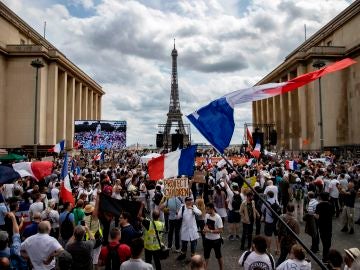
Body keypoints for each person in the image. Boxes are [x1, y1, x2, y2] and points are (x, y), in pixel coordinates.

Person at [177, 196, 202, 260]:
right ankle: (183, 255)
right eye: (188, 201)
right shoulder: (182, 208)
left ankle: (192, 256)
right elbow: (178, 217)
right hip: (185, 229)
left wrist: (192, 208)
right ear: (185, 202)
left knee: (193, 244)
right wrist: (177, 213)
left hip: (193, 229)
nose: (189, 202)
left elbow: (200, 213)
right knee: (184, 244)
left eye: (190, 201)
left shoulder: (194, 207)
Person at [203, 202, 223, 270]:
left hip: (216, 240)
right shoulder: (206, 215)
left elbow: (220, 230)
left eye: (208, 209)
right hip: (207, 239)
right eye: (206, 209)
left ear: (212, 209)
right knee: (206, 257)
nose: (206, 211)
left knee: (218, 256)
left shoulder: (218, 218)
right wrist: (204, 230)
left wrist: (210, 231)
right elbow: (206, 225)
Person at [315, 192, 334, 262]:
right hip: (329, 225)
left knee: (324, 241)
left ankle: (325, 257)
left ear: (321, 197)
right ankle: (326, 256)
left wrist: (314, 215)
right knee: (328, 241)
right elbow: (332, 214)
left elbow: (317, 216)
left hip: (321, 226)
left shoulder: (318, 205)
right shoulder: (331, 205)